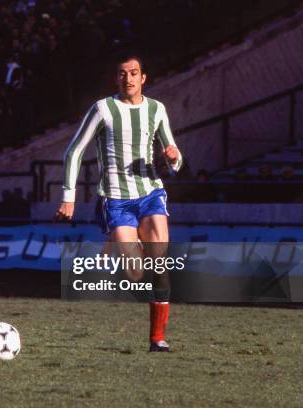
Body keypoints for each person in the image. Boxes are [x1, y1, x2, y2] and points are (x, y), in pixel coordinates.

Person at [53, 53, 183, 352]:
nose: (129, 78)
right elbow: (74, 151)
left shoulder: (157, 109)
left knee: (160, 264)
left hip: (151, 193)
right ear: (116, 78)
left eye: (134, 73)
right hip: (116, 200)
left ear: (143, 77)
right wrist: (68, 197)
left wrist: (174, 159)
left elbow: (173, 153)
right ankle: (116, 238)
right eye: (123, 74)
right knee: (136, 272)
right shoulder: (103, 109)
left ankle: (157, 339)